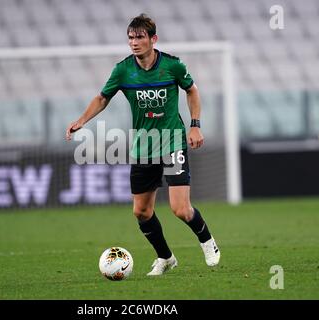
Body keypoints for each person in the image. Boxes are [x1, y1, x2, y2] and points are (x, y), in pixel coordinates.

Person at [66, 14, 220, 275]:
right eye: (130, 37)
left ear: (153, 39)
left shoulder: (172, 65)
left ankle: (207, 242)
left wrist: (195, 124)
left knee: (180, 209)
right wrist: (82, 120)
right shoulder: (123, 70)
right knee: (141, 212)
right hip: (144, 147)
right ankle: (166, 258)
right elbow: (102, 98)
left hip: (171, 142)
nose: (134, 42)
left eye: (139, 37)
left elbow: (192, 90)